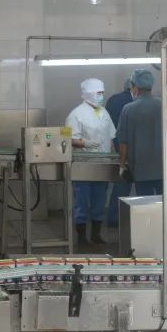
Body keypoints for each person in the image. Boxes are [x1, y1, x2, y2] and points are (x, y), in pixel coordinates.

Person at [116, 70, 167, 196]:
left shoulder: (128, 110)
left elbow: (123, 142)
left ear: (135, 87)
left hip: (142, 172)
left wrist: (122, 165)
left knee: (146, 206)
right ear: (150, 86)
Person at [66, 78, 116, 246]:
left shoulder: (104, 112)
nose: (101, 96)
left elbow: (110, 136)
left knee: (99, 201)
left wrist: (112, 156)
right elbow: (70, 139)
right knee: (82, 202)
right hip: (84, 164)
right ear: (88, 94)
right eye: (98, 93)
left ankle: (96, 234)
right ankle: (81, 237)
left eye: (102, 93)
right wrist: (85, 143)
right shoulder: (76, 114)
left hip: (102, 164)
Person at [104, 73, 136, 226]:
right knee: (135, 185)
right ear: (134, 87)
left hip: (116, 146)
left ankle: (113, 217)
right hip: (132, 148)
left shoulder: (112, 100)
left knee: (121, 182)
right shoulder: (133, 103)